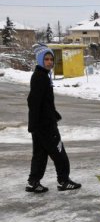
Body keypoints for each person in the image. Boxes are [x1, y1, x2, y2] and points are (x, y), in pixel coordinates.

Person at [26, 44, 81, 193]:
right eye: (47, 59)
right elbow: (33, 101)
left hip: (39, 125)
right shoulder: (40, 77)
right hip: (45, 126)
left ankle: (33, 182)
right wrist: (40, 121)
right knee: (59, 153)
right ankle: (64, 181)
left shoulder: (42, 75)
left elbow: (42, 102)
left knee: (40, 154)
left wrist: (51, 114)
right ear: (40, 60)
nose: (50, 62)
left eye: (51, 59)